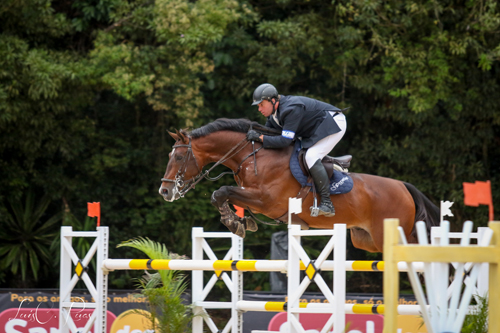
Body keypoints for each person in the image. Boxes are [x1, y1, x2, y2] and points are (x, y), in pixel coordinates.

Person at [247, 83, 347, 217]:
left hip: (333, 124)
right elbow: (269, 135)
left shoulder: (290, 109)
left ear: (273, 100)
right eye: (258, 106)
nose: (259, 109)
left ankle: (327, 203)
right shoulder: (273, 116)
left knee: (311, 156)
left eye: (261, 104)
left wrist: (260, 137)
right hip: (317, 128)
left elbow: (285, 140)